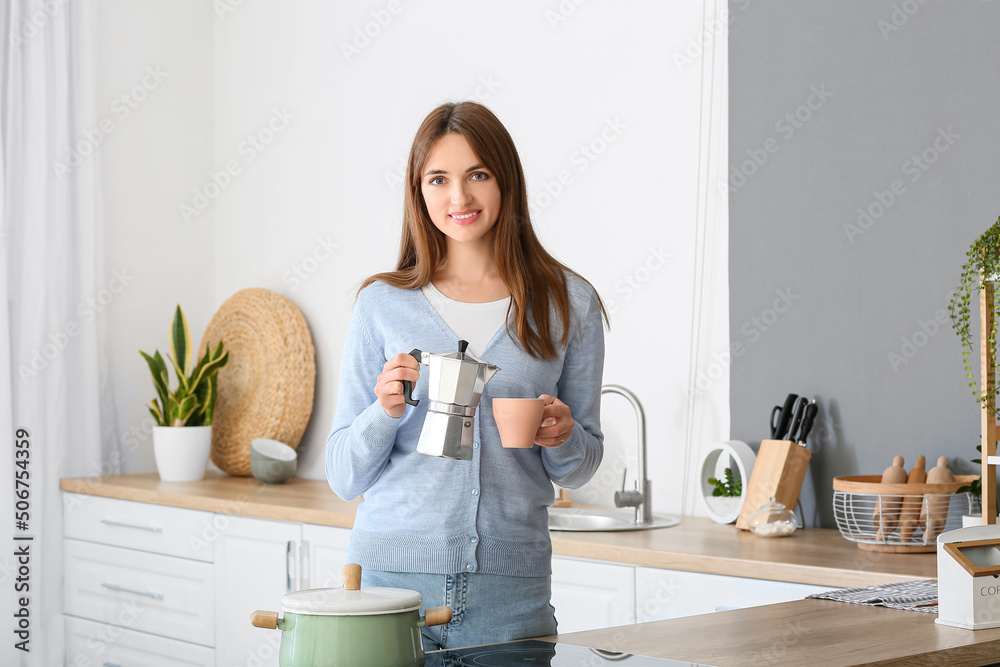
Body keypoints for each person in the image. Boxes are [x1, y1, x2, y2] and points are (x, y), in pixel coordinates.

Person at [326, 101, 607, 650]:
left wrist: (565, 436)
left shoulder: (569, 302)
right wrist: (384, 413)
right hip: (388, 590)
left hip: (511, 595)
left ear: (506, 180)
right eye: (439, 179)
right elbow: (343, 476)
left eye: (478, 174)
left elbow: (581, 467)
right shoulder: (383, 304)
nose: (459, 198)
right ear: (418, 190)